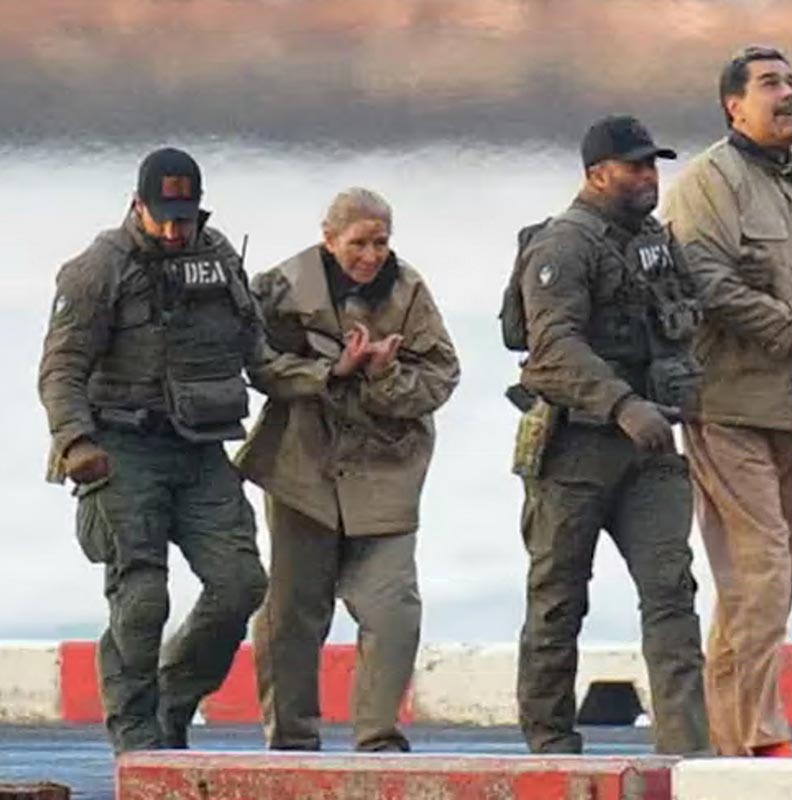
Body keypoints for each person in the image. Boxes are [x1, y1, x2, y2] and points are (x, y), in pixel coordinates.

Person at [660, 46, 792, 757]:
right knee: (761, 574)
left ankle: (729, 741)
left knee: (766, 585)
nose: (786, 95)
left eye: (790, 82)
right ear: (734, 105)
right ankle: (758, 739)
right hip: (728, 407)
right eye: (769, 85)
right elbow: (708, 283)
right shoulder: (707, 184)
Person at [37, 147, 268, 753]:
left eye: (184, 218)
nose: (173, 231)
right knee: (141, 599)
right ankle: (136, 737)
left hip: (200, 447)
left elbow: (255, 347)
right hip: (122, 447)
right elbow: (61, 369)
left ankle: (175, 698)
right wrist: (75, 440)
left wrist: (321, 376)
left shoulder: (217, 258)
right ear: (138, 205)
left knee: (240, 583)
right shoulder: (98, 269)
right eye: (162, 217)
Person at [507, 115, 709, 755]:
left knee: (672, 593)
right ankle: (550, 746)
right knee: (558, 599)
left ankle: (685, 752)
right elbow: (553, 346)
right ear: (597, 174)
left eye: (653, 165)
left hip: (652, 452)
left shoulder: (654, 241)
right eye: (635, 166)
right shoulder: (564, 246)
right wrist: (623, 405)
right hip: (577, 448)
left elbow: (687, 319)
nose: (649, 176)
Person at [236, 188, 459, 752]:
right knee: (292, 613)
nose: (371, 255)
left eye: (381, 242)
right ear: (329, 239)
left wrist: (383, 375)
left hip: (385, 473)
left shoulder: (408, 292)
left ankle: (378, 740)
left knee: (393, 609)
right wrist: (330, 371)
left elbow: (441, 377)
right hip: (303, 470)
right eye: (358, 242)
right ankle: (291, 741)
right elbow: (256, 363)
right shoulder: (282, 287)